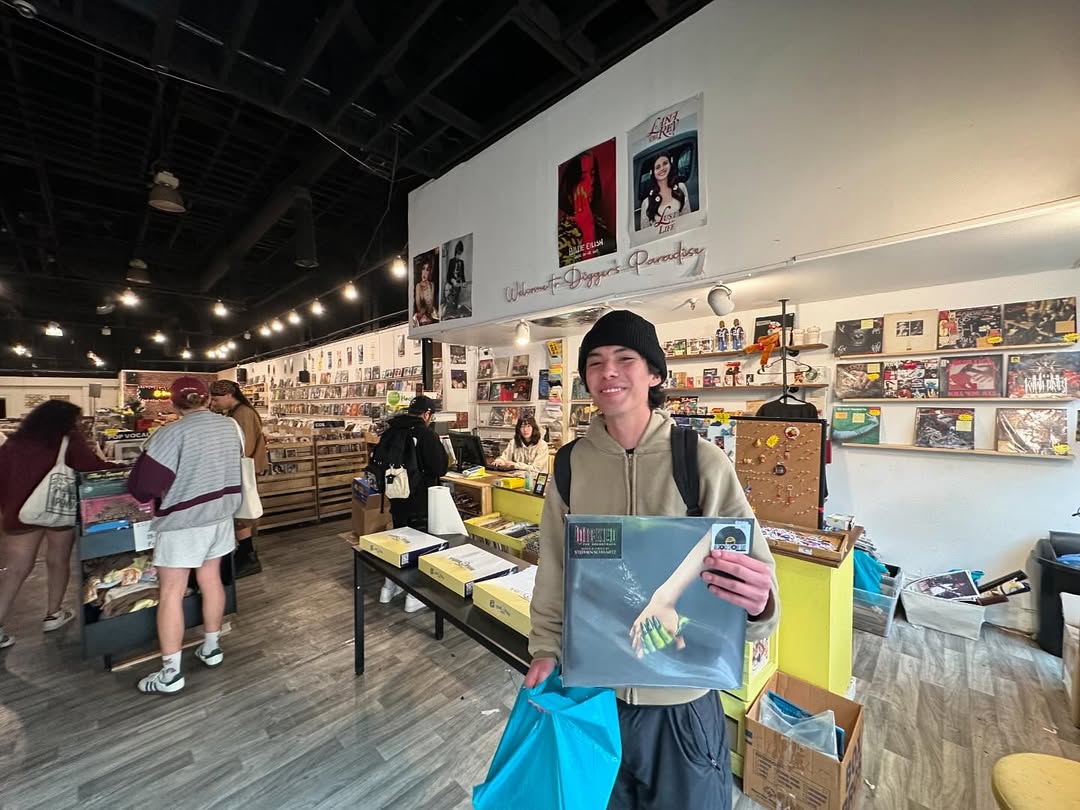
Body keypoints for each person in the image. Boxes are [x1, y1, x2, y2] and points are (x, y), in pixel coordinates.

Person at [526, 310, 779, 810]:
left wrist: (760, 605)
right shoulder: (570, 465)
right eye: (595, 362)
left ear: (655, 374)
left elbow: (755, 578)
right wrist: (545, 648)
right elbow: (554, 568)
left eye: (626, 359)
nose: (609, 372)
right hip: (596, 699)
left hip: (683, 705)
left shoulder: (701, 460)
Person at [128, 377, 242, 694]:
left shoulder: (171, 433)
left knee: (171, 593)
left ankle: (171, 673)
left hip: (183, 521)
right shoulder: (230, 427)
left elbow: (142, 486)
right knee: (211, 581)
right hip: (220, 515)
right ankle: (211, 647)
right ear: (207, 399)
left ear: (174, 403)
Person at [0, 401, 120, 649]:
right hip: (58, 509)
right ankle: (53, 614)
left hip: (19, 513)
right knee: (58, 561)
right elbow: (91, 468)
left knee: (15, 570)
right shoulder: (68, 440)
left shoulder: (13, 443)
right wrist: (118, 467)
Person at [375, 396, 449, 613]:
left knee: (399, 542)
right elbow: (439, 468)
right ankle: (414, 595)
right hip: (419, 498)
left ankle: (389, 588)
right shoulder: (425, 434)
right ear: (427, 414)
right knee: (421, 545)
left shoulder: (392, 430)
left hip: (395, 496)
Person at [209, 380, 269, 578]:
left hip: (242, 470)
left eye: (216, 399)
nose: (213, 403)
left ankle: (248, 556)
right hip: (242, 469)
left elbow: (245, 446)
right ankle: (245, 554)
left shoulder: (242, 414)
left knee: (242, 513)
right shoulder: (237, 413)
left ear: (228, 396)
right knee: (241, 512)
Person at [558, 150, 613, 264]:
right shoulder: (562, 236)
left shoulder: (598, 220)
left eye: (592, 175)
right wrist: (588, 230)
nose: (591, 183)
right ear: (570, 185)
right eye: (583, 178)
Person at [639, 152, 692, 231]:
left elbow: (688, 219)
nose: (662, 168)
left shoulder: (681, 187)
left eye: (665, 163)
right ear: (653, 172)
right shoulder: (646, 203)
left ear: (670, 165)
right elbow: (644, 232)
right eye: (657, 167)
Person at [413, 260, 438, 326]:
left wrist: (429, 287)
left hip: (430, 315)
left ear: (429, 272)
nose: (425, 272)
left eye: (427, 270)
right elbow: (418, 305)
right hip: (422, 316)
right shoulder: (418, 285)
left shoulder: (432, 284)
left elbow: (432, 303)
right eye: (423, 269)